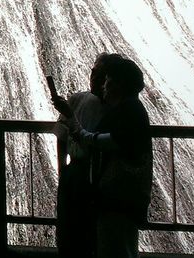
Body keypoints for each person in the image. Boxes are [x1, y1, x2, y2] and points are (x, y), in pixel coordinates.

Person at [55, 56, 153, 258]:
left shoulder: (127, 112)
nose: (102, 84)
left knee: (113, 247)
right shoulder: (128, 109)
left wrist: (72, 120)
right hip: (117, 197)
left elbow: (97, 141)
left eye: (106, 79)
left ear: (119, 84)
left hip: (117, 197)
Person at [52, 53, 124, 258]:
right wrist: (62, 170)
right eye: (94, 73)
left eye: (102, 76)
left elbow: (75, 135)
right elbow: (62, 137)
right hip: (75, 172)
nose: (94, 79)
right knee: (68, 234)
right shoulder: (78, 99)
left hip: (99, 178)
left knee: (92, 236)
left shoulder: (115, 110)